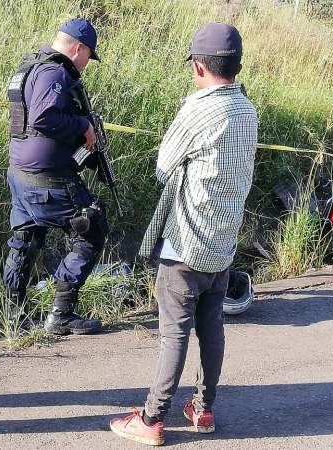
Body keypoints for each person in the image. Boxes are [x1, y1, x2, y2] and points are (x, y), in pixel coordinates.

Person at [109, 23, 258, 446]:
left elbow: (163, 166)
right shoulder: (247, 109)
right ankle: (203, 409)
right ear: (237, 64)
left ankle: (153, 419)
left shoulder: (197, 109)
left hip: (186, 243)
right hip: (223, 243)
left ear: (198, 66)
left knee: (173, 333)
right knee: (212, 328)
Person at [3, 18, 107, 336]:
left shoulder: (32, 66)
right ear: (78, 48)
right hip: (47, 178)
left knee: (25, 240)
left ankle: (13, 319)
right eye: (89, 55)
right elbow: (44, 117)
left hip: (21, 173)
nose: (87, 64)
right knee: (91, 230)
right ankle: (61, 314)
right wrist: (82, 127)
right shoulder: (55, 72)